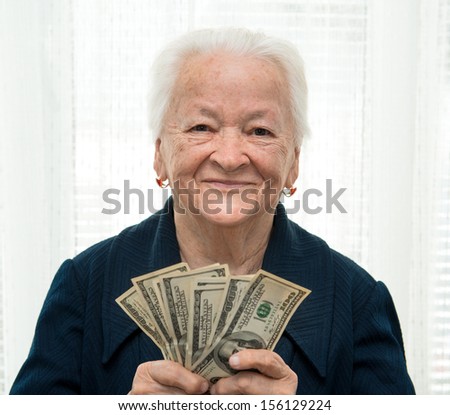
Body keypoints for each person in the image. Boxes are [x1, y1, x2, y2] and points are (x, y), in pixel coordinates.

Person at [10, 27, 415, 395]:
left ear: (293, 163)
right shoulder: (84, 286)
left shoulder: (358, 301)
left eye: (260, 131)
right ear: (159, 157)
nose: (229, 156)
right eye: (201, 127)